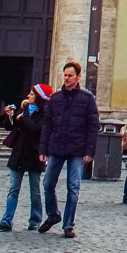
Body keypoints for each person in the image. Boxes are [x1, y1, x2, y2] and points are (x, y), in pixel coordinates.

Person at [38, 60, 98, 238]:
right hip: (57, 146)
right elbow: (47, 125)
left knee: (73, 187)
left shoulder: (87, 99)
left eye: (70, 76)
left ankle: (68, 225)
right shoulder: (55, 99)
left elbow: (93, 126)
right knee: (48, 183)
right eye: (65, 75)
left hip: (78, 150)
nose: (67, 78)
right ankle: (53, 215)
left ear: (78, 77)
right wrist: (43, 149)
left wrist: (89, 151)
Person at [0, 86, 46, 231]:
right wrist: (10, 116)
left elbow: (36, 129)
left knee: (35, 190)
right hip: (18, 154)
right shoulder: (23, 111)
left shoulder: (44, 115)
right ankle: (7, 220)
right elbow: (9, 127)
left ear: (38, 97)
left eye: (31, 94)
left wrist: (22, 118)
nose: (28, 96)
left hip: (34, 155)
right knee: (13, 189)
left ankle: (35, 219)